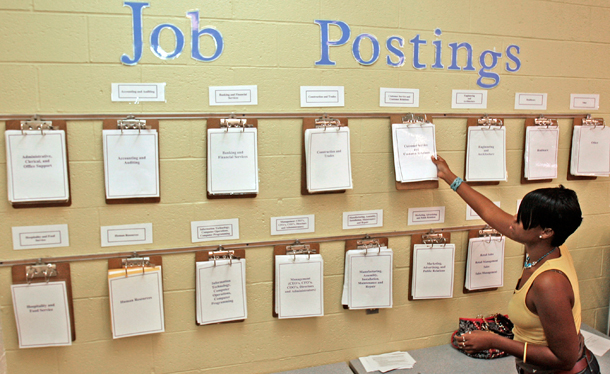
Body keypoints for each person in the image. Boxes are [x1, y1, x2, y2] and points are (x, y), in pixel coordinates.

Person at [431, 155, 599, 374]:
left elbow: (564, 359)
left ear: (546, 232)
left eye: (521, 219)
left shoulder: (549, 283)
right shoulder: (548, 247)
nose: (512, 222)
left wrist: (495, 341)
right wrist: (450, 177)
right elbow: (490, 212)